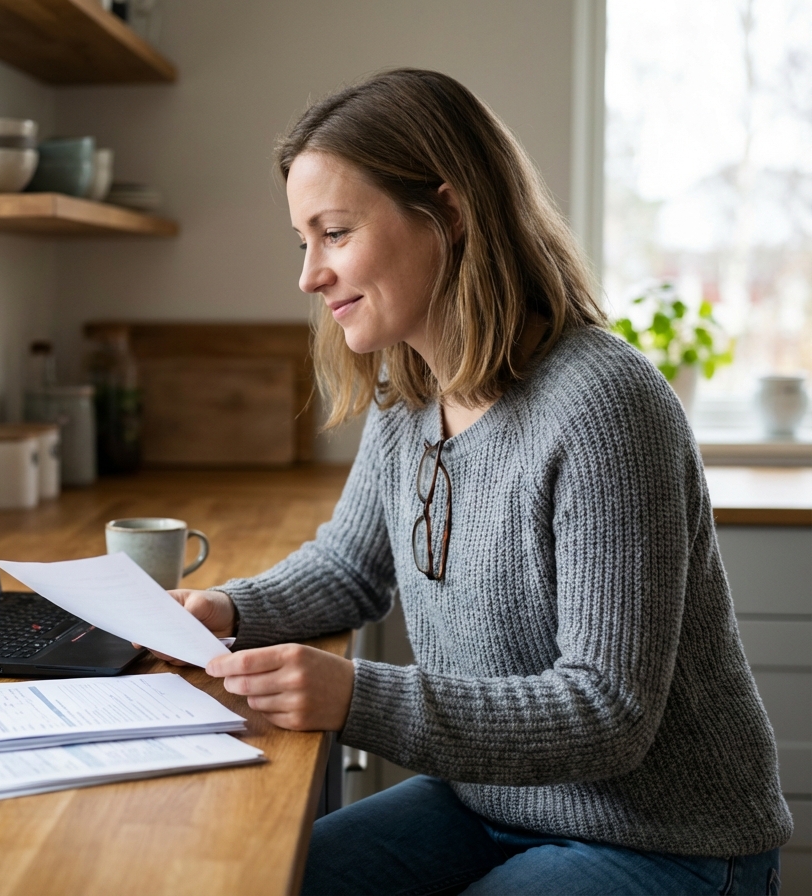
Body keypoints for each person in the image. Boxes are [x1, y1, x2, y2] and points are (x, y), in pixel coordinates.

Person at [159, 70, 791, 895]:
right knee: (267, 880)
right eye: (302, 242)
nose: (309, 276)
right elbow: (351, 569)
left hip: (664, 836)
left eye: (337, 233)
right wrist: (230, 610)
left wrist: (357, 697)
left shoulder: (604, 405)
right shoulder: (408, 391)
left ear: (449, 214)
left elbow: (607, 713)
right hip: (490, 804)